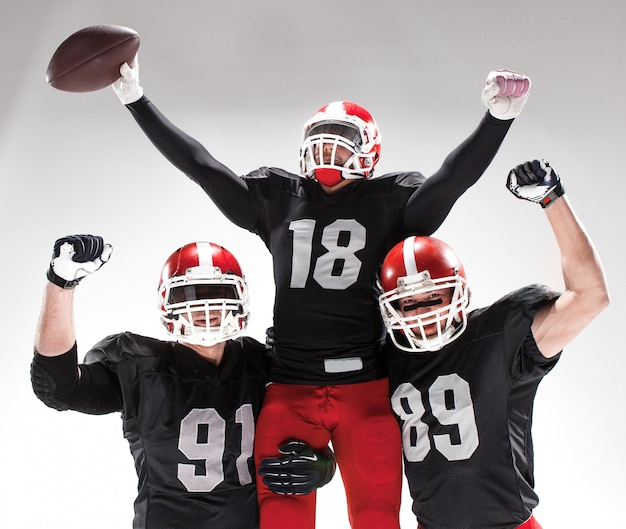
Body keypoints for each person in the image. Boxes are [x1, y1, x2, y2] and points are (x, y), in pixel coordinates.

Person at [109, 57, 531, 529]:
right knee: (283, 518)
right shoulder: (278, 197)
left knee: (376, 519)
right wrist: (137, 102)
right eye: (322, 135)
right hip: (291, 385)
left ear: (370, 151)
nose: (330, 147)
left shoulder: (391, 202)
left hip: (366, 389)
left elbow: (453, 180)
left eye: (344, 137)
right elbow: (203, 167)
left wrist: (497, 120)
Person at [30, 235, 335, 529]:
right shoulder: (141, 365)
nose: (205, 309)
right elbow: (58, 387)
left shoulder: (261, 362)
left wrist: (323, 465)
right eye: (190, 295)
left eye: (217, 295)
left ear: (239, 297)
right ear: (167, 302)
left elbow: (318, 421)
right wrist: (61, 284)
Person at [377, 159, 609, 529]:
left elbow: (589, 296)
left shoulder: (497, 335)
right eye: (409, 303)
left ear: (458, 293)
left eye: (433, 298)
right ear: (391, 308)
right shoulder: (388, 356)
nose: (421, 312)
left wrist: (553, 201)